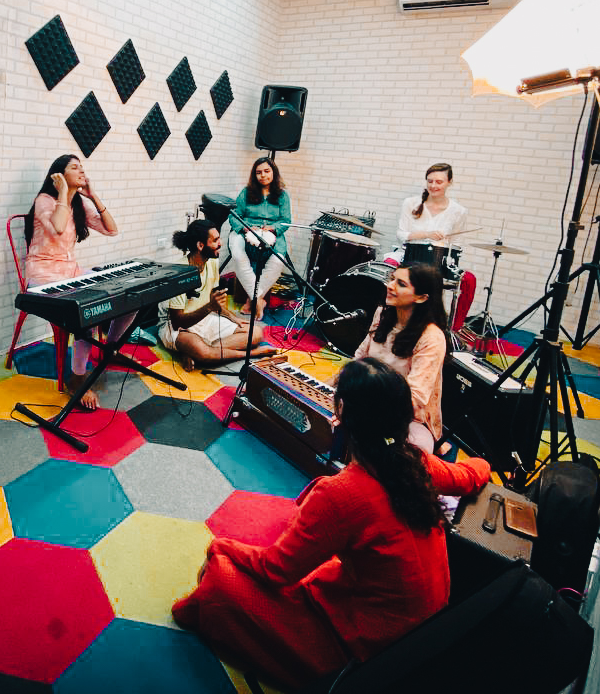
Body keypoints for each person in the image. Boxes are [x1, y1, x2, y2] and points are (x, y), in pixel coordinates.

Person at [171, 359, 491, 690]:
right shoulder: (416, 461)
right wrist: (485, 464)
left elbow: (276, 570)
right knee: (325, 567)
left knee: (219, 578)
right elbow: (470, 475)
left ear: (339, 410)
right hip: (420, 639)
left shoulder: (343, 493)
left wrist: (221, 546)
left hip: (366, 655)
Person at [23, 154, 132, 410]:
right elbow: (58, 228)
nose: (82, 171)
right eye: (75, 167)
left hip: (70, 273)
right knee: (87, 312)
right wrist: (62, 193)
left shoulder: (78, 204)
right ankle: (78, 378)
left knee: (129, 295)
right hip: (44, 276)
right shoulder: (44, 201)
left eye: (82, 167)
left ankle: (110, 349)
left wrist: (93, 196)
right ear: (59, 175)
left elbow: (111, 230)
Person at [353, 263, 448, 454]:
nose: (390, 285)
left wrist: (365, 416)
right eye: (392, 279)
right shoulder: (383, 314)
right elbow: (359, 360)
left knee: (407, 455)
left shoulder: (432, 337)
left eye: (401, 284)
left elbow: (414, 398)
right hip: (365, 399)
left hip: (408, 419)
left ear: (421, 297)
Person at [159, 219, 277, 370]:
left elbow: (214, 301)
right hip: (175, 326)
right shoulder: (179, 273)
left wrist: (234, 318)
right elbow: (177, 323)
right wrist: (209, 308)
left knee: (256, 332)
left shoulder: (212, 262)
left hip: (203, 318)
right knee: (202, 351)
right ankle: (252, 353)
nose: (220, 244)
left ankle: (193, 352)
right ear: (200, 245)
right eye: (215, 240)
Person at [387, 162, 476, 330]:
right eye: (430, 181)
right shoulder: (410, 203)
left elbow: (456, 244)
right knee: (388, 268)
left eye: (439, 182)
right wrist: (426, 234)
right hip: (409, 255)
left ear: (450, 182)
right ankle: (387, 317)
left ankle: (454, 328)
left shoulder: (459, 211)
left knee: (469, 280)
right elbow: (401, 234)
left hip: (438, 261)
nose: (433, 185)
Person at [227, 157, 292, 321]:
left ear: (273, 172)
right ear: (254, 175)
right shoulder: (246, 192)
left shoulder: (282, 195)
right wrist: (245, 227)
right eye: (258, 172)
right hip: (245, 229)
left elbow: (286, 221)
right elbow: (234, 216)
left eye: (266, 171)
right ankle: (258, 300)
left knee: (278, 261)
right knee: (237, 254)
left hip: (272, 233)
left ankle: (252, 300)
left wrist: (273, 229)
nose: (263, 175)